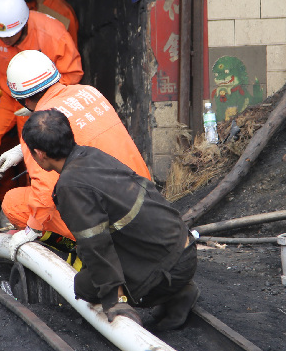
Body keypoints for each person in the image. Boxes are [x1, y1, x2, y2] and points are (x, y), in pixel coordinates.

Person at [18, 109, 199, 329]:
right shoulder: (91, 154)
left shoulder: (70, 186)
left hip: (170, 269)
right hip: (185, 248)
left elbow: (95, 243)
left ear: (39, 153)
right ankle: (178, 292)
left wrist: (115, 299)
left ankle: (167, 292)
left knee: (85, 285)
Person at [0, 0, 83, 229]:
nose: (4, 41)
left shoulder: (52, 33)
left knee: (37, 152)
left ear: (23, 24)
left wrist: (43, 102)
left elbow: (71, 74)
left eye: (10, 36)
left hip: (37, 96)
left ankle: (36, 214)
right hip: (2, 93)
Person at [0, 50, 151, 239]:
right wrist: (22, 149)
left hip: (115, 221)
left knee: (13, 203)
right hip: (146, 198)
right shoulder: (89, 92)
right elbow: (82, 131)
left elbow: (45, 192)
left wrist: (33, 229)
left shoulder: (37, 128)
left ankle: (71, 247)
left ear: (23, 100)